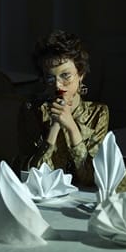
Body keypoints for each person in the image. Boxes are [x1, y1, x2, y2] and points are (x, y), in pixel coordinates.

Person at [16, 30, 109, 185]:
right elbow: (33, 177)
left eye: (65, 76)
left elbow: (92, 178)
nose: (58, 85)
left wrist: (72, 127)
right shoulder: (32, 110)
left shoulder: (97, 113)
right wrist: (54, 129)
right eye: (50, 78)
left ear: (81, 74)